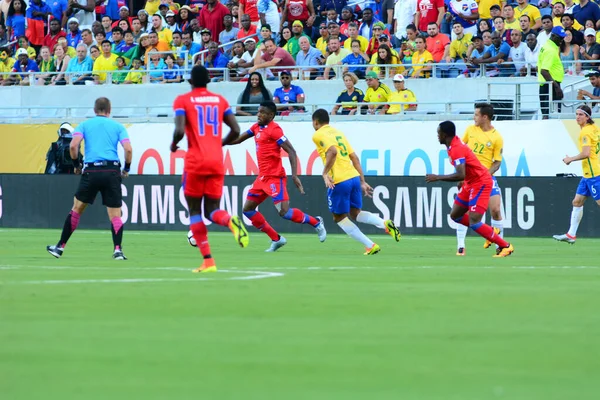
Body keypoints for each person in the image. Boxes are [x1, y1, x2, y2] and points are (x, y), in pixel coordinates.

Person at [170, 65, 249, 273]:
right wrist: (220, 143)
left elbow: (179, 130)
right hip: (216, 160)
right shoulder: (220, 100)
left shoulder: (183, 100)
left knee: (195, 211)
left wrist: (173, 144)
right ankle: (231, 221)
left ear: (190, 81)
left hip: (195, 161)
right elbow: (236, 130)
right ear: (208, 81)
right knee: (213, 210)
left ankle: (208, 261)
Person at [227, 101, 326, 252]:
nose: (258, 115)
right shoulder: (256, 127)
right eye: (258, 111)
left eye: (262, 113)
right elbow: (239, 139)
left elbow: (291, 151)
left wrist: (294, 175)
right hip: (262, 178)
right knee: (248, 210)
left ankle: (316, 223)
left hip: (275, 177)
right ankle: (276, 239)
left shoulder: (275, 130)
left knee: (284, 212)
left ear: (271, 115)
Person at [46, 97, 133, 261]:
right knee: (115, 214)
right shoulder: (118, 127)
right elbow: (128, 149)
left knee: (77, 208)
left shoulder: (85, 125)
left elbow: (73, 146)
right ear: (109, 110)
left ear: (94, 110)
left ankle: (60, 247)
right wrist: (126, 169)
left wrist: (76, 165)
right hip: (112, 170)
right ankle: (118, 250)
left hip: (92, 170)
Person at [311, 109, 401, 255]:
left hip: (339, 181)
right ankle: (383, 223)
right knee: (355, 213)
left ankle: (370, 245)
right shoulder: (338, 133)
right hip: (353, 177)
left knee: (339, 217)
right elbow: (355, 158)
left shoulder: (318, 134)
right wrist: (362, 181)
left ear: (315, 122)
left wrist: (325, 173)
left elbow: (332, 152)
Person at [425, 121, 514, 258]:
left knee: (474, 221)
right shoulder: (453, 144)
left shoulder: (456, 149)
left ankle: (505, 246)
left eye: (439, 133)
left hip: (481, 182)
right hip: (470, 183)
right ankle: (491, 231)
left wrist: (437, 177)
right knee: (455, 215)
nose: (437, 136)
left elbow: (461, 174)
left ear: (445, 134)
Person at [454, 103, 504, 256]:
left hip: (486, 178)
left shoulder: (496, 137)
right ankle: (461, 246)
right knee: (465, 211)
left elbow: (497, 162)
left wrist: (485, 175)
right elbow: (459, 151)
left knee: (495, 210)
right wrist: (460, 173)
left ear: (485, 117)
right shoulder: (470, 130)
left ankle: (499, 245)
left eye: (476, 115)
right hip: (469, 178)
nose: (473, 117)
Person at [553, 105, 600, 244]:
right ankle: (571, 234)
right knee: (577, 201)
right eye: (576, 114)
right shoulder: (594, 129)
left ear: (587, 117)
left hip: (594, 174)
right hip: (587, 174)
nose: (578, 117)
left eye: (581, 114)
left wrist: (570, 159)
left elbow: (586, 153)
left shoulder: (585, 132)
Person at [538, 26, 566, 119]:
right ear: (553, 36)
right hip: (550, 86)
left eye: (563, 38)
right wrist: (557, 87)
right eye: (560, 38)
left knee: (548, 113)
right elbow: (544, 71)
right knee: (553, 115)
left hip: (547, 85)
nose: (562, 40)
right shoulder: (550, 50)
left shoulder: (548, 46)